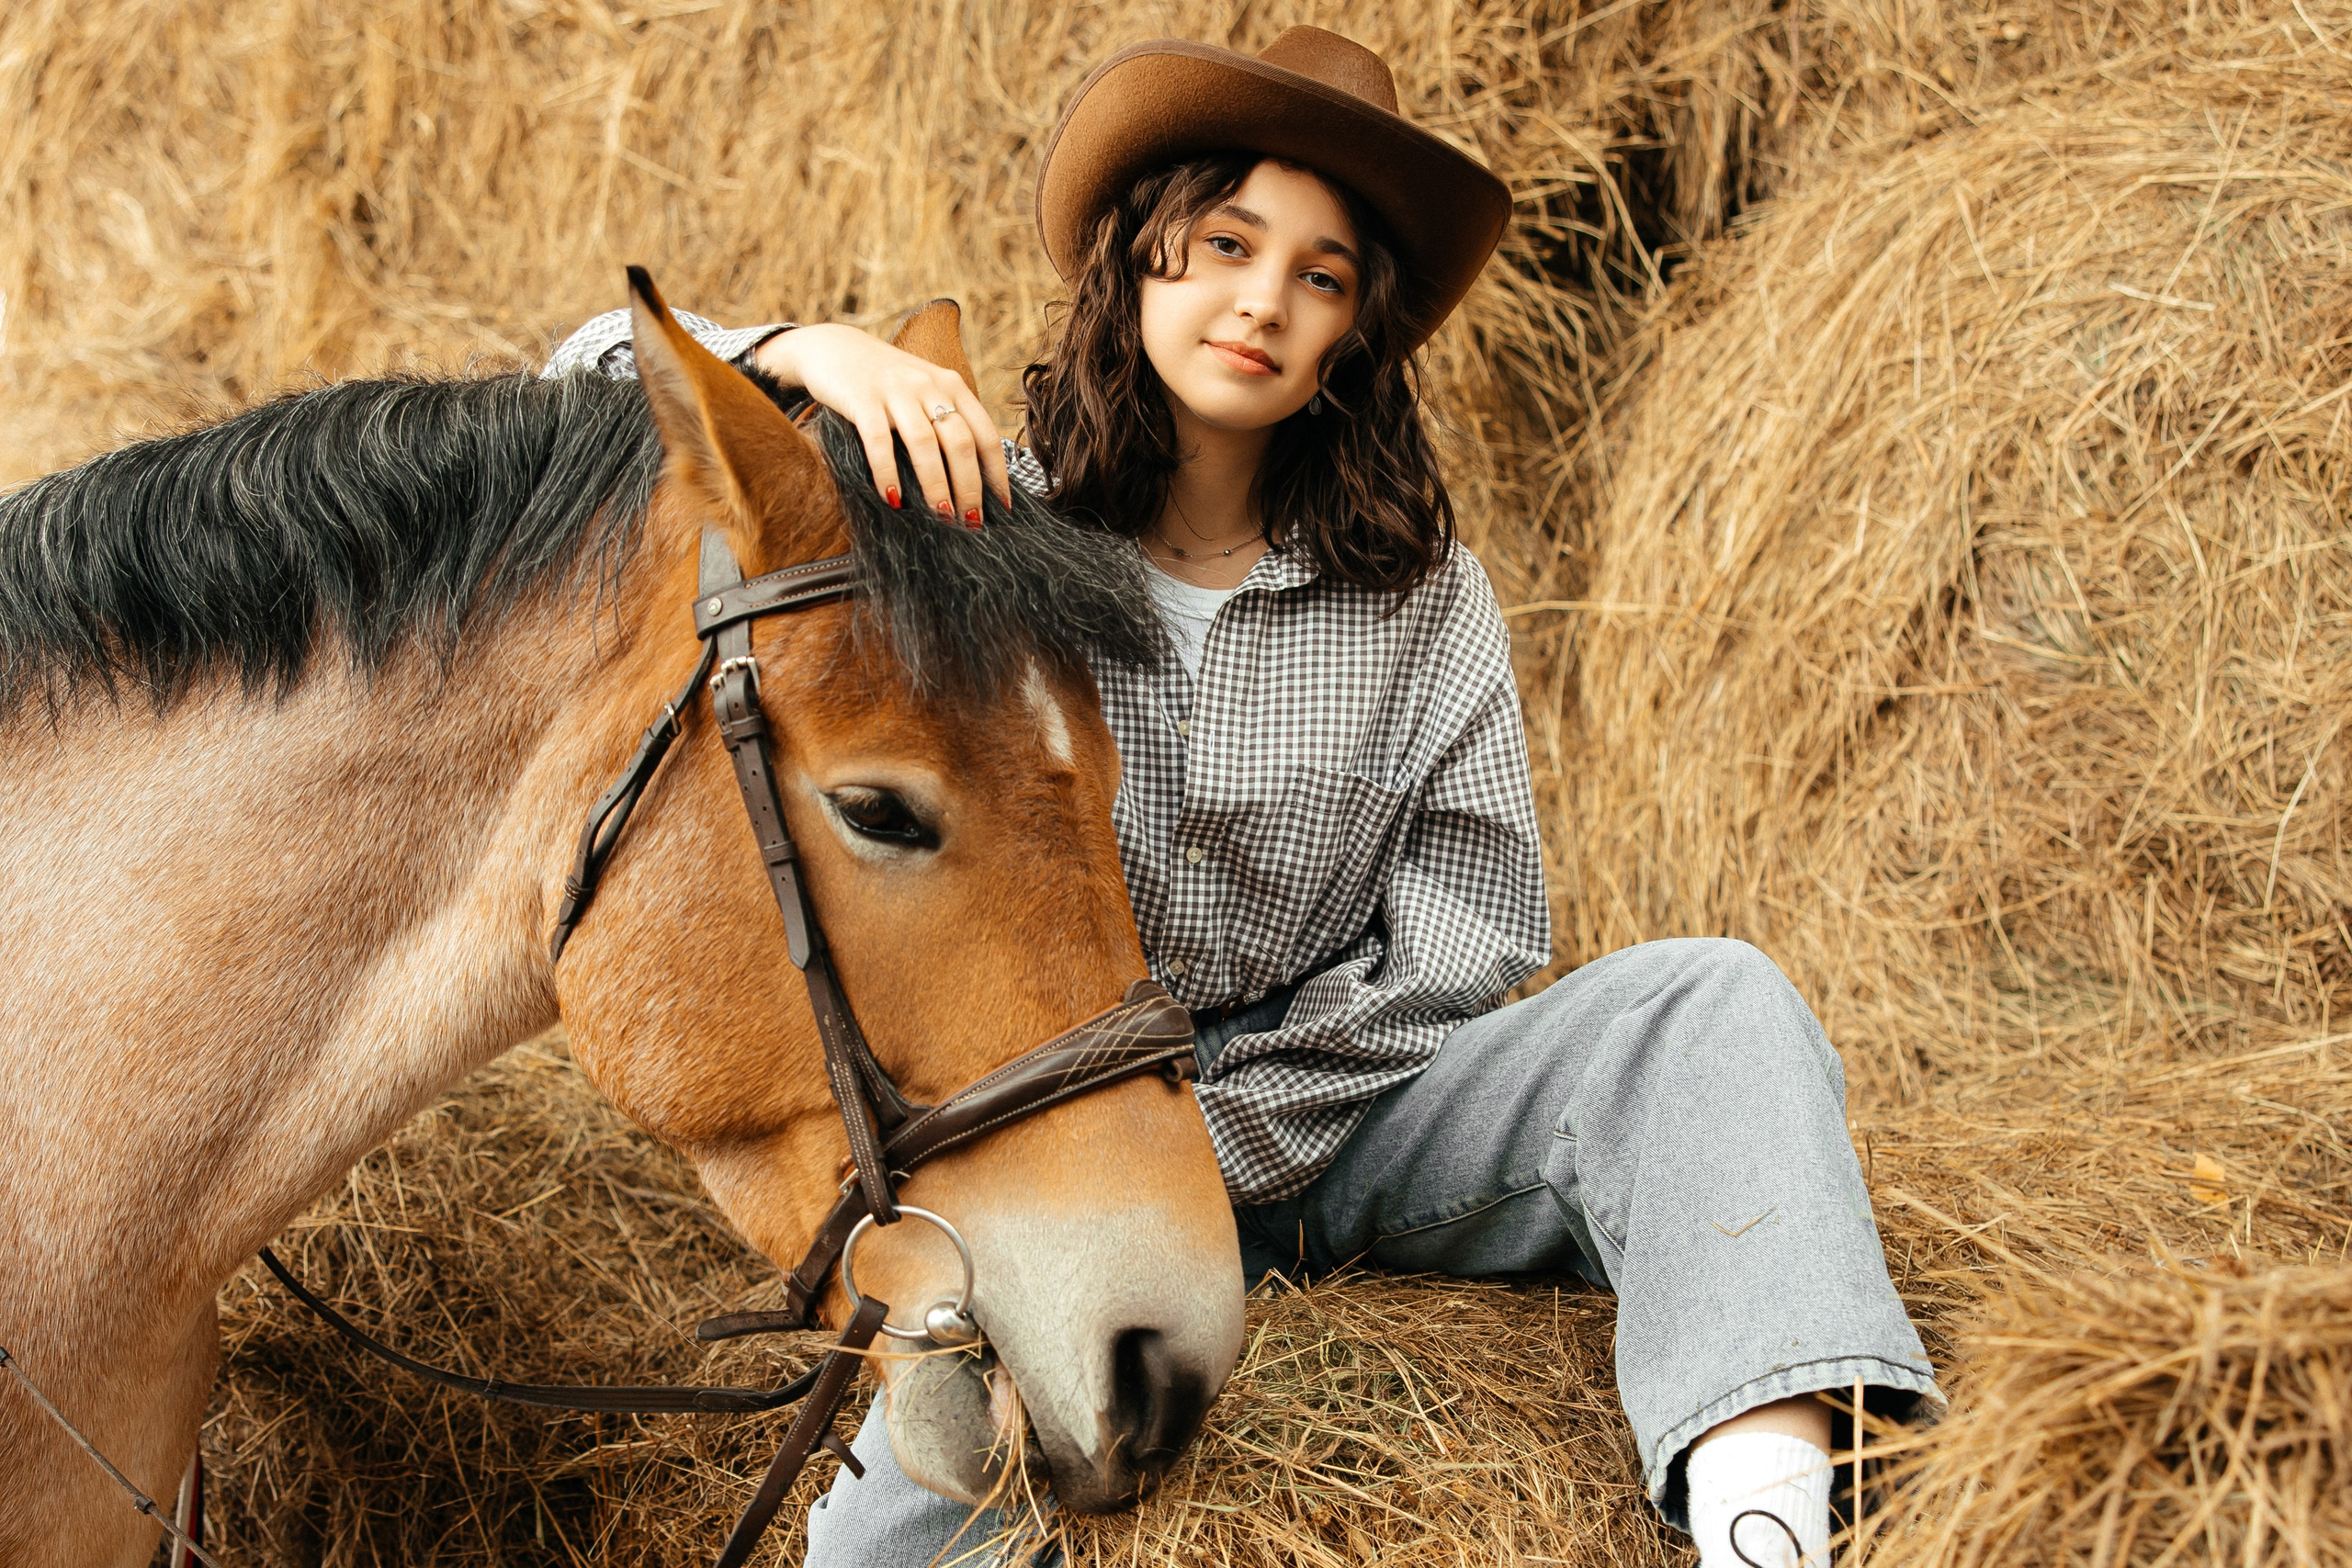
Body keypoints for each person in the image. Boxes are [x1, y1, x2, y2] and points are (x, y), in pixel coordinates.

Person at [548, 27, 1939, 1568]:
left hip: (1344, 1115)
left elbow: (1468, 936)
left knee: (1711, 1009)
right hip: (1053, 1142)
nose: (1265, 301)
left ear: (1355, 332)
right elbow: (569, 392)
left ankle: (1767, 1529)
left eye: (1320, 276)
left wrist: (1221, 1132)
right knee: (887, 1544)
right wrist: (809, 354)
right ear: (1137, 259)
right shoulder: (976, 527)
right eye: (1225, 244)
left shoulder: (1425, 601)